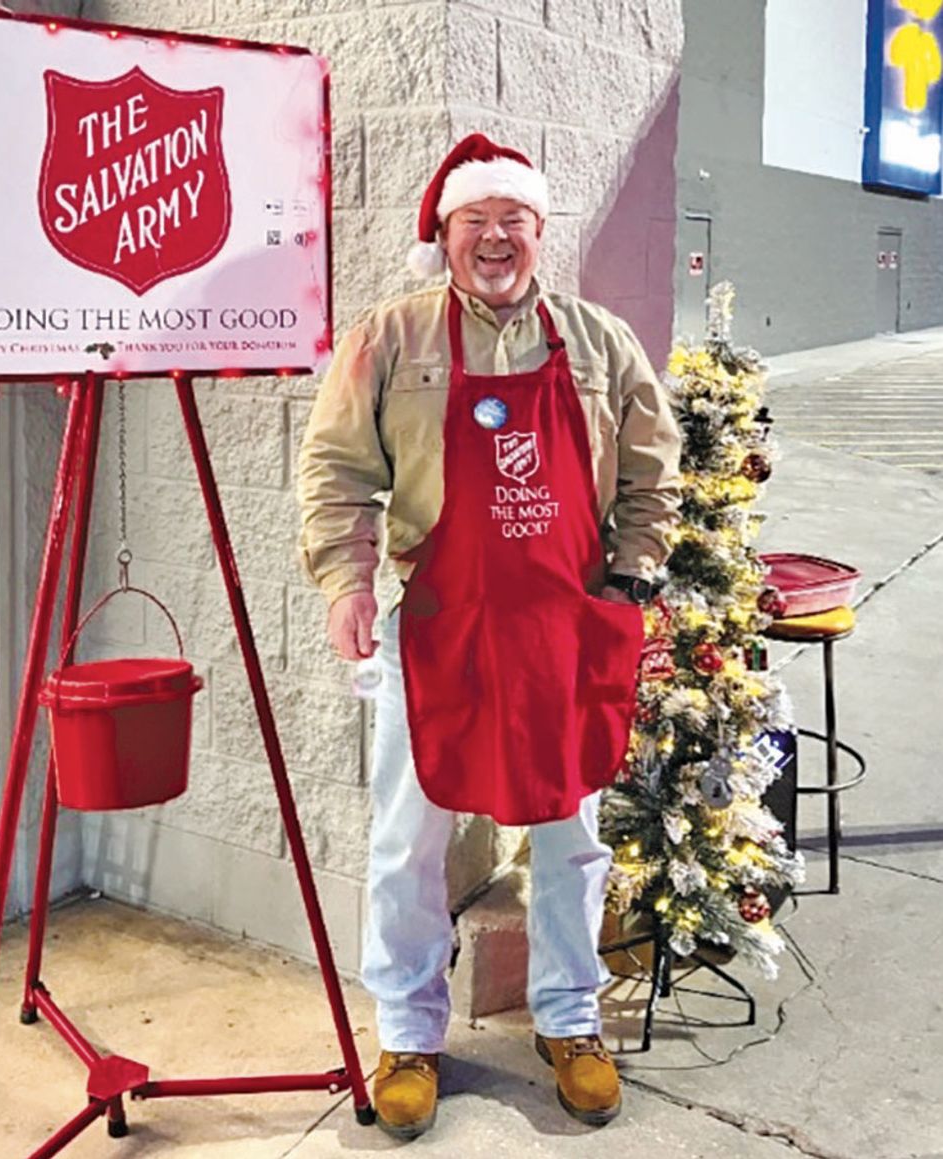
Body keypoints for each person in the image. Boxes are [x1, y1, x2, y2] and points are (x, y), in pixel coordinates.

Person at [296, 134, 681, 1140]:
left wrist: (632, 578)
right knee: (405, 841)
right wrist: (344, 578)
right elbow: (337, 468)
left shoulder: (599, 344)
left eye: (515, 220)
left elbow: (653, 471)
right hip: (435, 625)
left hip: (562, 627)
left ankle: (569, 1018)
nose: (497, 238)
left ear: (540, 233)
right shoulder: (392, 339)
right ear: (446, 233)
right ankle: (411, 1031)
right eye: (478, 222)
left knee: (570, 834)